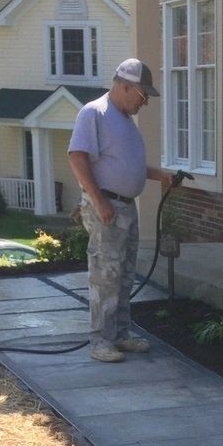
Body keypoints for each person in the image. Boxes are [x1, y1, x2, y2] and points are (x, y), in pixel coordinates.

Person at [67, 58, 175, 362]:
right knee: (105, 274)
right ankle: (100, 340)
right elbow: (78, 158)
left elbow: (130, 166)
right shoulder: (95, 113)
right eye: (143, 96)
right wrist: (99, 201)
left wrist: (160, 175)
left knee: (125, 274)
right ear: (125, 86)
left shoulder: (124, 120)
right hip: (107, 207)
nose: (145, 104)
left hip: (125, 208)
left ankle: (120, 334)